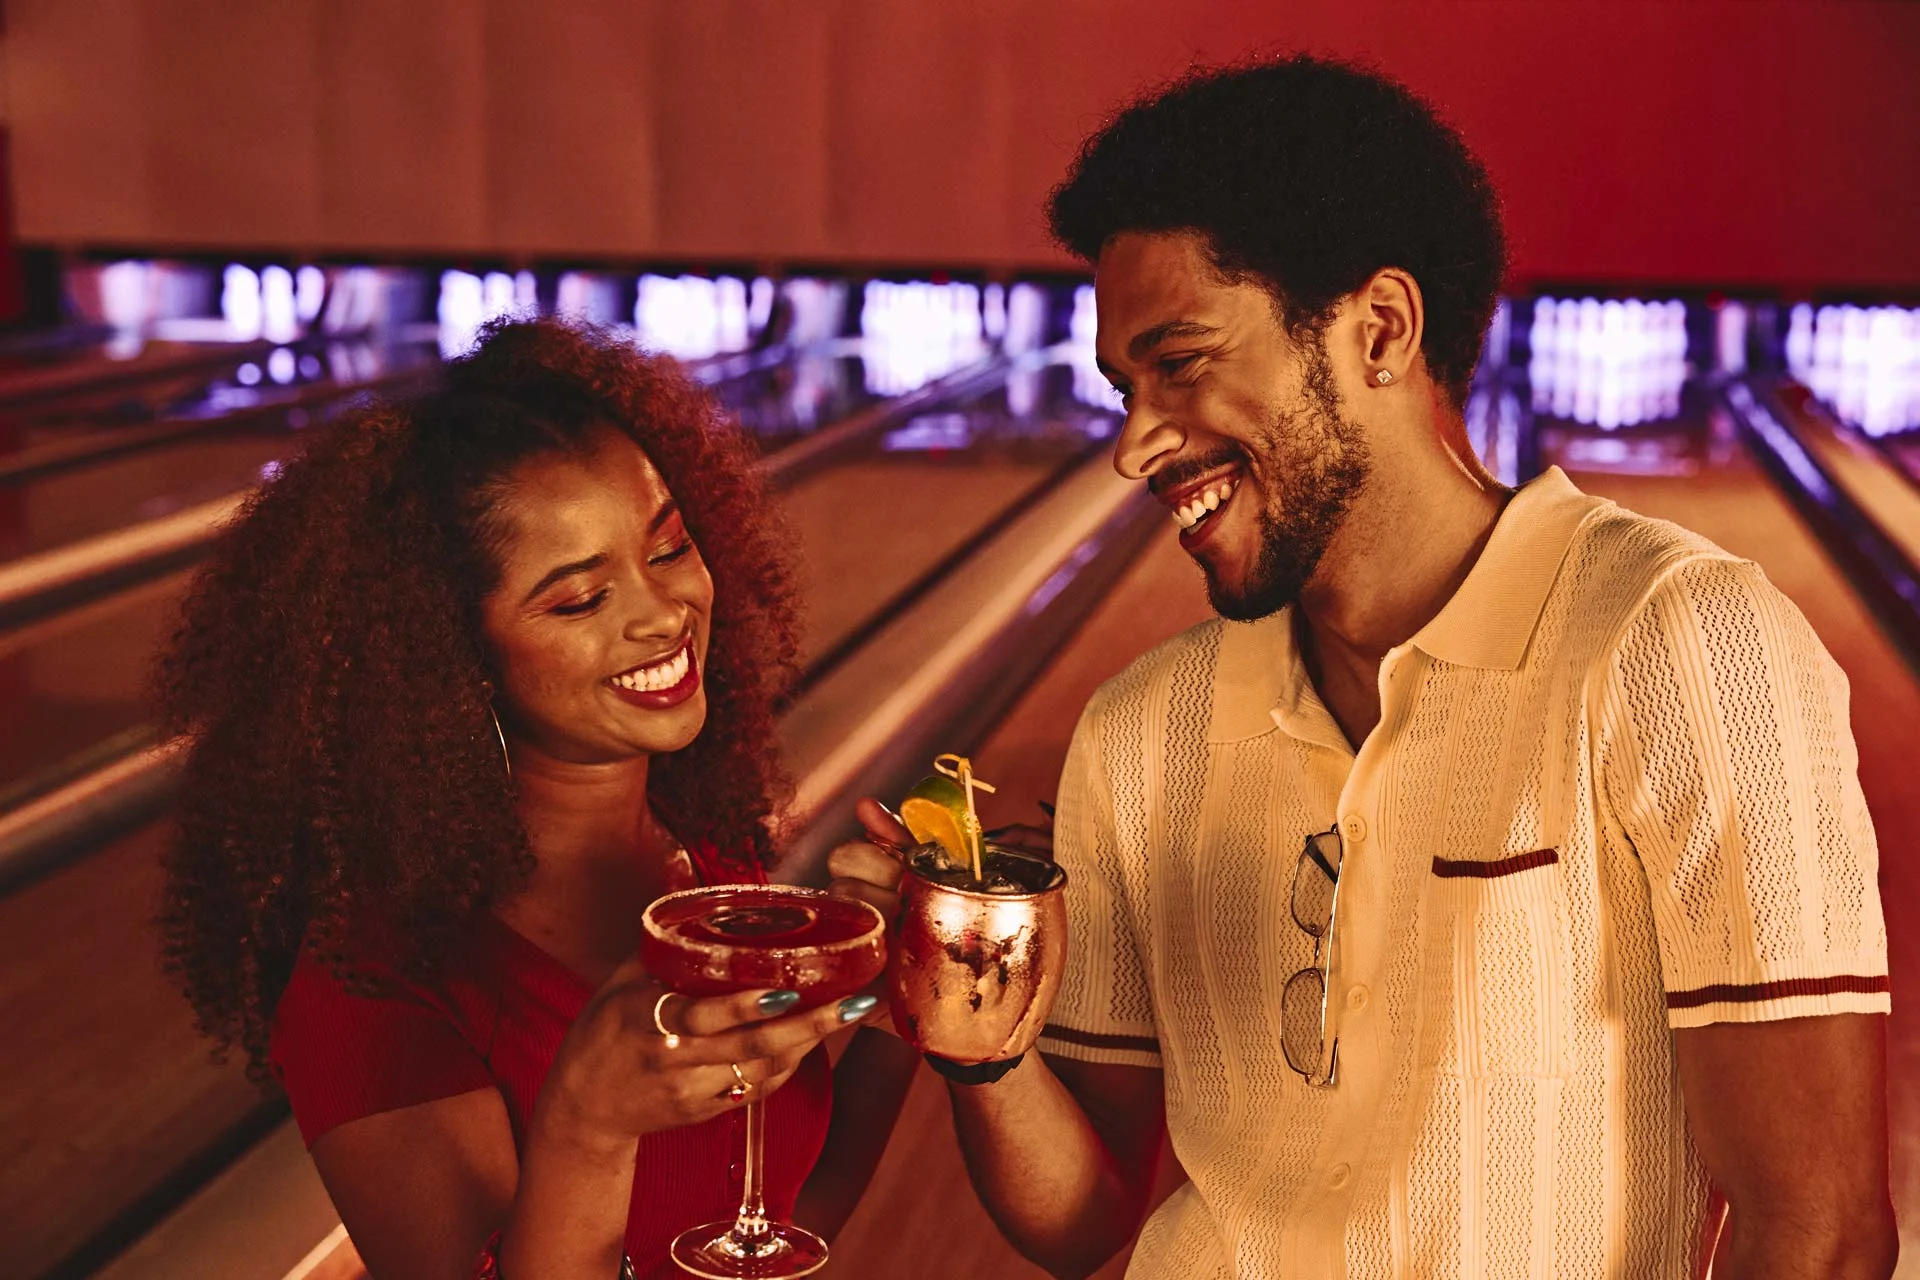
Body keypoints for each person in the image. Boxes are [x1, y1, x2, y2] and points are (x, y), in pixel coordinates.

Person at [830, 56, 1895, 1279]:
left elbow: (1816, 1234)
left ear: (1378, 327)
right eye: (1124, 388)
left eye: (1180, 364)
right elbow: (1088, 1220)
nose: (1133, 447)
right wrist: (984, 1043)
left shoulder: (1681, 644)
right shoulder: (1138, 729)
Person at [157, 318, 917, 1279]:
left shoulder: (710, 870)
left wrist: (898, 1011)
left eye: (670, 546)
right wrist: (585, 1129)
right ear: (450, 660)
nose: (662, 613)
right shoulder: (369, 989)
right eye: (579, 600)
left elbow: (772, 1227)